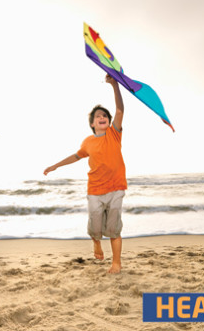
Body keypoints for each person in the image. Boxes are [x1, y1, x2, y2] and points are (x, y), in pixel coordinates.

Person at [44, 75, 126, 274]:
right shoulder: (88, 142)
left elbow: (119, 110)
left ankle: (116, 263)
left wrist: (115, 85)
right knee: (95, 226)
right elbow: (76, 156)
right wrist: (56, 165)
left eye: (104, 115)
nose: (102, 117)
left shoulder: (114, 134)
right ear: (92, 123)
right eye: (98, 116)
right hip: (95, 190)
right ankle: (96, 242)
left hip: (116, 188)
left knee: (114, 229)